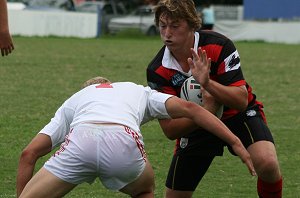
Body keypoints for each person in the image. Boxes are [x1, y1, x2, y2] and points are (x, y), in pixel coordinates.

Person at [16, 74, 255, 197]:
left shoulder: (75, 100)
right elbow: (192, 110)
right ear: (110, 84)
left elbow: (29, 154)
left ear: (88, 90)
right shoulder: (136, 90)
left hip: (81, 139)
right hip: (122, 140)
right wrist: (235, 140)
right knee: (142, 190)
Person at [146, 0, 282, 197]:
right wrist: (206, 111)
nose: (167, 33)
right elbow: (170, 130)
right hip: (197, 124)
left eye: (175, 26)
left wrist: (208, 83)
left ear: (192, 24)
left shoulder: (219, 45)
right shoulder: (157, 70)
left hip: (237, 115)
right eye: (163, 25)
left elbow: (241, 100)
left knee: (267, 163)